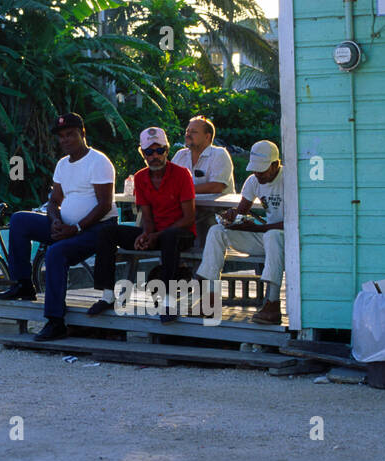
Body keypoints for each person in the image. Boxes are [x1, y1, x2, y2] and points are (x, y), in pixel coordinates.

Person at [0, 112, 116, 342]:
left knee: (56, 252)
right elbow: (53, 200)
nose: (65, 140)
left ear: (83, 134)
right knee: (20, 219)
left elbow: (104, 205)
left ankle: (55, 321)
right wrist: (55, 219)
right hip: (68, 226)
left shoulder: (99, 161)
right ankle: (22, 284)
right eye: (61, 136)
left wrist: (76, 228)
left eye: (70, 134)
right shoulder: (62, 164)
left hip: (97, 229)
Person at [88, 127, 196, 322]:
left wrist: (156, 235)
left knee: (170, 237)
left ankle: (168, 301)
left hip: (180, 233)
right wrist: (145, 234)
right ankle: (107, 295)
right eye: (149, 152)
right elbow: (146, 215)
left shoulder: (182, 174)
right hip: (156, 233)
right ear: (142, 154)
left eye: (159, 150)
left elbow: (189, 218)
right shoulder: (140, 177)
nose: (155, 156)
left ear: (167, 150)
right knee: (107, 232)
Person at [192, 139, 286, 325]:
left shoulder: (290, 180)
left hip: (287, 239)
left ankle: (272, 303)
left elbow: (294, 223)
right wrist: (231, 218)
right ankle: (210, 297)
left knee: (273, 235)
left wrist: (257, 227)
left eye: (262, 169)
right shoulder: (253, 181)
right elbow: (241, 212)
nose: (257, 174)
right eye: (255, 169)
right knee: (216, 231)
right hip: (265, 236)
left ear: (275, 165)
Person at [171, 115, 234, 197]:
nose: (188, 134)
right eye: (187, 131)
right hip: (185, 207)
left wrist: (184, 190)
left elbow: (216, 187)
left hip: (218, 208)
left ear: (207, 137)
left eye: (193, 132)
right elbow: (169, 183)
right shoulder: (180, 155)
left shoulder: (219, 154)